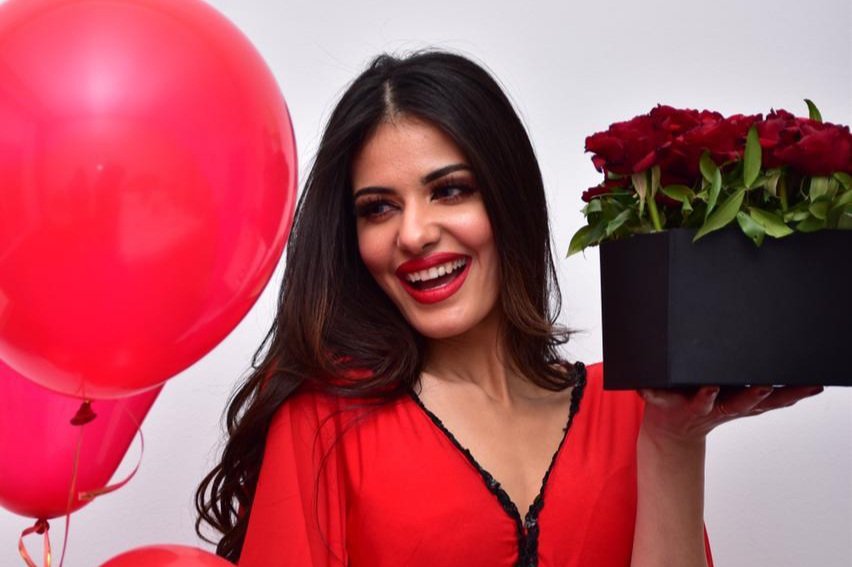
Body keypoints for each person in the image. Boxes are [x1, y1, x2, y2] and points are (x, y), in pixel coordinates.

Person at [195, 51, 821, 567]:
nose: (413, 234)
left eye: (450, 190)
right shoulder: (323, 421)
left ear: (508, 197)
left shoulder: (634, 406)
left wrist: (674, 442)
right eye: (378, 208)